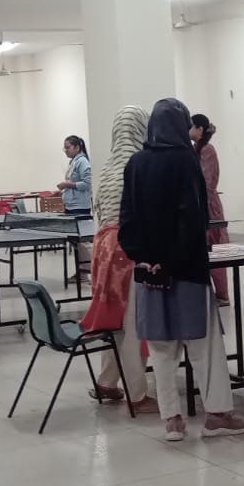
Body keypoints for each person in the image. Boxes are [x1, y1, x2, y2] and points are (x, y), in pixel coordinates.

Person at [121, 98, 244, 442]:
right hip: (187, 269)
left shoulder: (135, 163)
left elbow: (127, 219)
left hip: (149, 273)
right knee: (203, 344)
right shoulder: (185, 160)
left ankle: (173, 421)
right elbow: (192, 219)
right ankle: (217, 415)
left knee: (161, 348)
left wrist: (144, 258)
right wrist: (173, 260)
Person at [80, 105, 156, 413]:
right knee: (135, 322)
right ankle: (137, 394)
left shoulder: (108, 166)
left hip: (104, 251)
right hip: (128, 250)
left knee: (114, 320)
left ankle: (107, 381)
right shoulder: (139, 165)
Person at [190, 114, 231, 306]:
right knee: (202, 250)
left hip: (208, 204)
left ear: (200, 129)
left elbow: (205, 182)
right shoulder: (195, 149)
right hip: (198, 203)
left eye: (191, 126)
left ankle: (222, 295)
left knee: (215, 249)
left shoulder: (207, 150)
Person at [59, 135, 93, 282]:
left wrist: (67, 185)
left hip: (80, 207)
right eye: (64, 148)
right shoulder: (73, 162)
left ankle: (91, 272)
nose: (65, 150)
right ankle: (82, 273)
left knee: (83, 242)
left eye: (68, 147)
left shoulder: (83, 162)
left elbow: (87, 183)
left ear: (77, 147)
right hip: (71, 206)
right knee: (77, 243)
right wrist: (63, 190)